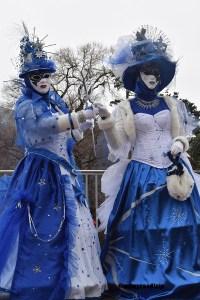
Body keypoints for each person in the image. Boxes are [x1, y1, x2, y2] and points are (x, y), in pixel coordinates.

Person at [0, 26, 106, 300]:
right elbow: (42, 129)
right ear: (28, 79)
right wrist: (80, 115)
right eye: (38, 76)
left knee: (76, 223)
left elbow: (69, 136)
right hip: (40, 173)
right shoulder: (25, 106)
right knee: (43, 224)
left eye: (47, 75)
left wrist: (85, 123)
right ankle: (39, 280)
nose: (44, 80)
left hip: (64, 170)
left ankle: (80, 282)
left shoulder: (55, 102)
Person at [97, 26, 200, 299]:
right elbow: (120, 147)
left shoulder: (170, 103)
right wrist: (108, 124)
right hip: (140, 173)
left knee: (180, 226)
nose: (152, 77)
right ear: (136, 75)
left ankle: (180, 270)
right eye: (147, 72)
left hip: (173, 172)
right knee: (140, 229)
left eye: (156, 72)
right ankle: (143, 277)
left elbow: (180, 134)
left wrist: (179, 144)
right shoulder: (125, 108)